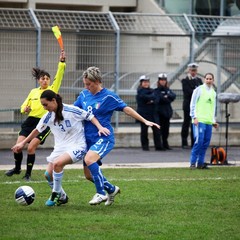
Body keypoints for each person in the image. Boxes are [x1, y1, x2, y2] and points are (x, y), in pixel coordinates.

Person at [74, 66, 160, 206]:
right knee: (89, 175)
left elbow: (127, 109)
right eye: (85, 84)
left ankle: (101, 193)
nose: (86, 87)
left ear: (97, 81)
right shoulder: (83, 95)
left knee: (90, 159)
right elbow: (74, 111)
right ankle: (112, 189)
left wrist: (144, 121)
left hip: (104, 137)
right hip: (87, 139)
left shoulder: (109, 96)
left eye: (88, 84)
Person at [11, 90, 110, 206]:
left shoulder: (71, 110)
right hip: (60, 148)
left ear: (53, 100)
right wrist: (22, 143)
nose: (44, 107)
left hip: (78, 146)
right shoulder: (48, 116)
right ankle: (63, 197)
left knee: (57, 164)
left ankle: (56, 194)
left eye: (45, 104)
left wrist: (100, 127)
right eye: (42, 105)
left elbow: (90, 116)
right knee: (48, 175)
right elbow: (37, 130)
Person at [5, 50, 66, 181]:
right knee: (18, 147)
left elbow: (60, 75)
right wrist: (24, 109)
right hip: (30, 121)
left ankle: (28, 174)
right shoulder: (33, 92)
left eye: (47, 78)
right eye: (42, 78)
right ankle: (16, 169)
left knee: (31, 147)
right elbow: (23, 107)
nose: (45, 80)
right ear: (38, 80)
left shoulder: (52, 90)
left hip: (44, 123)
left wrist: (61, 62)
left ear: (50, 81)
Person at [189, 73, 218, 169]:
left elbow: (213, 107)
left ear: (213, 80)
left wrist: (213, 121)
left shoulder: (213, 92)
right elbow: (192, 103)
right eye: (207, 78)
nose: (209, 80)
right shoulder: (199, 90)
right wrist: (194, 117)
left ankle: (200, 163)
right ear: (204, 79)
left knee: (206, 143)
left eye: (210, 79)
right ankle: (193, 162)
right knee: (199, 141)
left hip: (208, 121)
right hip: (199, 120)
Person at [136, 75, 163, 151]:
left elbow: (157, 99)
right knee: (144, 131)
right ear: (141, 83)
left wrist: (151, 100)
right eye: (144, 82)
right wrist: (152, 98)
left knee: (157, 131)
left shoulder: (152, 91)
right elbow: (144, 98)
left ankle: (158, 146)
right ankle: (145, 147)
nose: (146, 83)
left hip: (153, 114)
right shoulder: (140, 91)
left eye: (147, 82)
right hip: (144, 115)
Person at [181, 63, 203, 149]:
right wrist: (196, 92)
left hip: (196, 105)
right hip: (188, 105)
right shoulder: (185, 80)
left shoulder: (199, 80)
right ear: (189, 70)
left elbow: (201, 91)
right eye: (192, 70)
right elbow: (188, 92)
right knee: (186, 123)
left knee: (195, 123)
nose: (193, 72)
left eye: (195, 70)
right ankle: (184, 142)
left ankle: (194, 142)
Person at [154, 73, 176, 150]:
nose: (163, 82)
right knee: (159, 130)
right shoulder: (156, 91)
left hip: (167, 113)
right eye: (161, 80)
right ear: (159, 81)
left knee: (166, 130)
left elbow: (173, 96)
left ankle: (165, 144)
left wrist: (167, 96)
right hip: (159, 113)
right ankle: (159, 146)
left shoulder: (168, 90)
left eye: (164, 80)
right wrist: (166, 97)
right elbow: (159, 99)